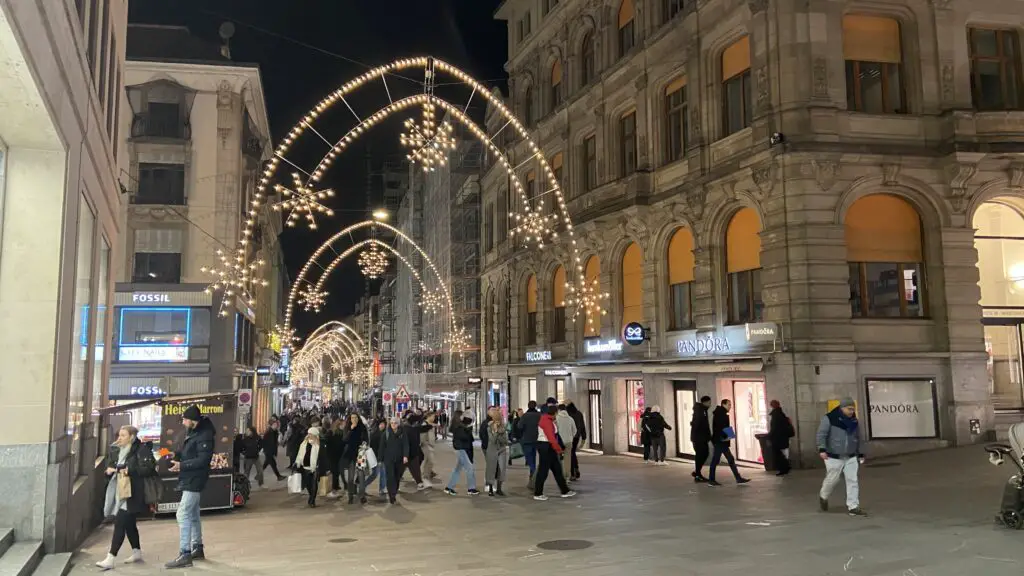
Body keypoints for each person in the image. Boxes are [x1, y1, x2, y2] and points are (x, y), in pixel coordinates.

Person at [96, 425, 156, 571]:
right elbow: (112, 465)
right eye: (119, 435)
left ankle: (111, 558)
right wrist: (112, 466)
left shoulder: (141, 450)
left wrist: (124, 470)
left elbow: (148, 468)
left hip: (133, 493)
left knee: (120, 523)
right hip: (121, 491)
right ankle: (137, 552)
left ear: (132, 437)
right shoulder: (118, 449)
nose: (120, 438)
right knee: (129, 524)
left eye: (123, 435)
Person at [166, 405, 215, 569]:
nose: (183, 422)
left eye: (185, 419)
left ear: (193, 421)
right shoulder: (194, 432)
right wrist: (176, 455)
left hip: (195, 478)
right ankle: (197, 548)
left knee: (182, 513)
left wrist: (181, 465)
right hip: (190, 477)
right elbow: (189, 452)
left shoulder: (205, 435)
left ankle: (185, 553)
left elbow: (203, 460)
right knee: (193, 514)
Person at [817, 398, 866, 516]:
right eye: (849, 409)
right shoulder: (829, 418)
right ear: (842, 408)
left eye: (853, 409)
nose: (851, 411)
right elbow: (821, 434)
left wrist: (861, 453)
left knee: (852, 480)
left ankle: (853, 507)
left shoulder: (854, 421)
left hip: (851, 456)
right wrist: (822, 449)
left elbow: (859, 437)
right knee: (832, 479)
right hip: (833, 456)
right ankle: (823, 495)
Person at [534, 405, 575, 501]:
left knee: (557, 469)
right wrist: (558, 449)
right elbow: (551, 438)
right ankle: (538, 493)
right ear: (555, 413)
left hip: (547, 446)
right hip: (546, 446)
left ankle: (565, 491)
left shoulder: (548, 420)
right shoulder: (547, 421)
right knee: (543, 471)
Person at [708, 399, 750, 487]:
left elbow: (723, 427)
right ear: (723, 404)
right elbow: (722, 427)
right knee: (716, 460)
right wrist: (728, 436)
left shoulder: (721, 413)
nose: (730, 406)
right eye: (729, 404)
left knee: (730, 459)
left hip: (721, 441)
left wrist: (729, 436)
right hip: (720, 441)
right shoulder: (721, 414)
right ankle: (711, 480)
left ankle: (738, 478)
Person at [444, 410, 480, 496]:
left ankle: (449, 487)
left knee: (458, 469)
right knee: (469, 468)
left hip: (461, 449)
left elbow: (469, 439)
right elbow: (465, 438)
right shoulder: (459, 427)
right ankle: (471, 488)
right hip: (461, 449)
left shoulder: (460, 426)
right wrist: (469, 429)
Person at [377, 417, 408, 505]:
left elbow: (406, 444)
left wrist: (405, 456)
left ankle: (394, 491)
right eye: (392, 423)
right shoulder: (386, 434)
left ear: (398, 424)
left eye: (395, 423)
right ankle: (392, 495)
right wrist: (380, 460)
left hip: (399, 459)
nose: (393, 424)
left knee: (397, 477)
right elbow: (381, 447)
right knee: (390, 477)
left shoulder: (402, 433)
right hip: (388, 459)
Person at [341, 413, 370, 502]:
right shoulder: (347, 427)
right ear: (350, 419)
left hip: (360, 454)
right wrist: (351, 430)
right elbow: (344, 440)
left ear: (358, 418)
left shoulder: (362, 427)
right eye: (352, 418)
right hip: (351, 455)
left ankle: (362, 496)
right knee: (350, 477)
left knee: (361, 476)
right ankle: (350, 496)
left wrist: (365, 443)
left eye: (356, 417)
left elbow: (366, 439)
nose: (354, 419)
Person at [296, 427, 327, 508]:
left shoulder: (319, 445)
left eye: (311, 434)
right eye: (308, 434)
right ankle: (311, 496)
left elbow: (323, 457)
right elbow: (300, 453)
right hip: (306, 467)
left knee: (314, 484)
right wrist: (298, 462)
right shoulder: (304, 443)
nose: (309, 435)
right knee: (308, 484)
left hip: (315, 468)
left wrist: (324, 468)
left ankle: (312, 500)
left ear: (315, 435)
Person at [483, 407, 510, 496]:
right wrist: (495, 432)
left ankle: (499, 488)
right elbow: (492, 440)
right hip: (492, 449)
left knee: (502, 469)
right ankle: (490, 488)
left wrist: (499, 432)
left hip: (502, 449)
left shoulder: (503, 427)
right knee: (491, 468)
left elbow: (505, 441)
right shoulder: (489, 427)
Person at [516, 401, 541, 488]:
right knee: (533, 456)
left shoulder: (525, 416)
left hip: (527, 439)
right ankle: (532, 474)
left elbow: (519, 426)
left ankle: (533, 472)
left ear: (528, 406)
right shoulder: (539, 415)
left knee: (529, 459)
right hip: (537, 439)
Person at [768, 400, 795, 476]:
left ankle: (784, 468)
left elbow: (774, 428)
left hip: (778, 439)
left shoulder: (776, 415)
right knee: (782, 454)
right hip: (783, 438)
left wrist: (770, 436)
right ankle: (785, 467)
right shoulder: (781, 414)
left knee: (778, 454)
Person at [690, 396, 712, 482]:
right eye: (709, 402)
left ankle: (697, 473)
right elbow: (697, 424)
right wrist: (697, 436)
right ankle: (698, 474)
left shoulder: (703, 410)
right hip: (699, 438)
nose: (710, 404)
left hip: (701, 438)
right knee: (701, 454)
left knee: (704, 454)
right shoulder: (700, 410)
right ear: (705, 402)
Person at [565, 401, 587, 480]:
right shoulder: (579, 413)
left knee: (570, 454)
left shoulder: (567, 414)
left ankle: (573, 473)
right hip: (577, 436)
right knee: (572, 453)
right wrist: (584, 437)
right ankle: (576, 469)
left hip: (569, 436)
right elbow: (582, 426)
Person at [555, 405, 577, 479]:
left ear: (559, 410)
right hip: (568, 441)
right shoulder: (570, 419)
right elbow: (575, 430)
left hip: (559, 442)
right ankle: (567, 475)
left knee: (558, 459)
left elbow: (554, 430)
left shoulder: (556, 418)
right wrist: (571, 437)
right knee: (568, 459)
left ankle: (560, 475)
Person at [421, 412, 439, 482]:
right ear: (429, 416)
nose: (434, 418)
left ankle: (425, 476)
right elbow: (422, 435)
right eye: (433, 416)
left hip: (430, 445)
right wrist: (425, 443)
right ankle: (425, 477)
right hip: (427, 445)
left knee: (427, 461)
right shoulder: (424, 424)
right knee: (431, 461)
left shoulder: (429, 424)